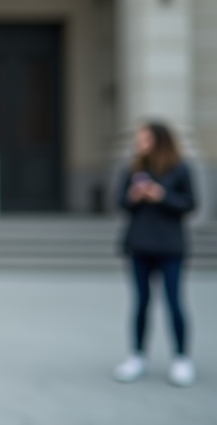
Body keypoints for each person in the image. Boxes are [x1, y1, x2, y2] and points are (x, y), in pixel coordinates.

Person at [113, 121, 197, 387]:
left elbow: (191, 203)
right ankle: (137, 356)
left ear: (160, 141)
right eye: (139, 139)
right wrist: (134, 196)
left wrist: (162, 195)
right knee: (141, 303)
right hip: (140, 245)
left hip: (170, 246)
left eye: (145, 139)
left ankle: (181, 358)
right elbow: (120, 203)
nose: (140, 144)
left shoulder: (180, 169)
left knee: (174, 302)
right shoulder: (134, 169)